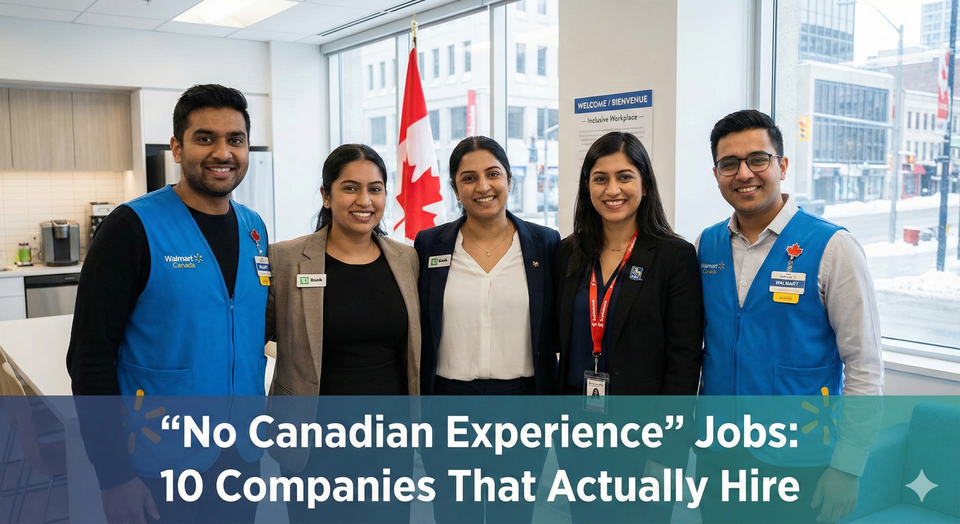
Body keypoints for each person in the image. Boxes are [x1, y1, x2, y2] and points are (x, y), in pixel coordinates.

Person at [66, 84, 269, 523]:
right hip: (159, 460)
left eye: (235, 139)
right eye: (204, 138)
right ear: (177, 148)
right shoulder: (131, 227)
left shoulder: (255, 228)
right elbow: (89, 356)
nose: (223, 152)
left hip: (240, 453)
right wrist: (113, 475)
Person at [696, 109, 883, 523]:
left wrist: (847, 466)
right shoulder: (706, 245)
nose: (744, 173)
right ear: (717, 174)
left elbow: (864, 365)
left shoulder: (833, 247)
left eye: (757, 159)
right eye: (729, 163)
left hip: (799, 458)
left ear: (781, 165)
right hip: (719, 453)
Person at [264, 143, 420, 523]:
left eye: (376, 188)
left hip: (389, 438)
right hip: (313, 441)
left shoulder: (407, 260)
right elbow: (253, 338)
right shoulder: (284, 259)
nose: (364, 199)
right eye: (350, 187)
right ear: (326, 195)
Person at [555, 131, 703, 523]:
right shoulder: (568, 253)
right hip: (579, 431)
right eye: (600, 178)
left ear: (645, 184)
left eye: (624, 177)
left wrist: (667, 452)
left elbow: (684, 362)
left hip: (645, 435)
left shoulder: (674, 256)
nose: (612, 189)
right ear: (587, 186)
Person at [414, 136, 560, 523]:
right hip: (447, 406)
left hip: (521, 405)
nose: (483, 187)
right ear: (454, 188)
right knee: (451, 511)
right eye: (468, 178)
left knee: (512, 514)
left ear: (509, 179)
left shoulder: (545, 245)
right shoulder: (429, 245)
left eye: (493, 174)